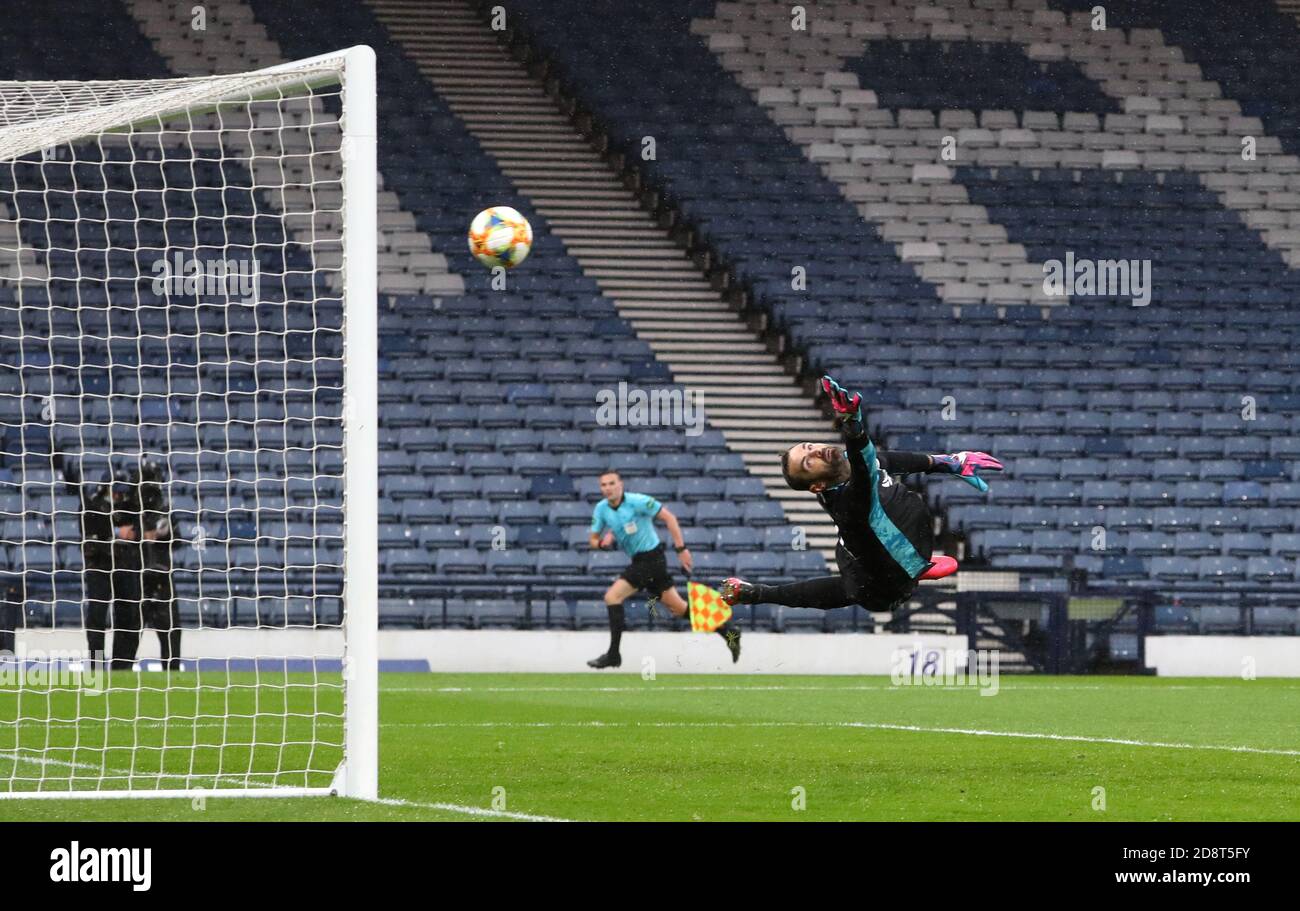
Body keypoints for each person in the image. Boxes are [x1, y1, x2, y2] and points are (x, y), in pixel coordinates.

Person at [720, 375, 1003, 614]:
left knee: (886, 490)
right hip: (884, 588)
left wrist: (948, 463)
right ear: (817, 486)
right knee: (853, 584)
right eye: (809, 462)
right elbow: (866, 463)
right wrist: (853, 426)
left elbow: (886, 461)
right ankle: (756, 593)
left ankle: (910, 561)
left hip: (890, 549)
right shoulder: (849, 505)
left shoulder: (846, 466)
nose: (815, 450)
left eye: (808, 445)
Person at [586, 469, 740, 669]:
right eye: (603, 485)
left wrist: (681, 549)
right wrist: (602, 542)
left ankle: (613, 654)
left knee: (612, 597)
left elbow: (670, 518)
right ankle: (728, 630)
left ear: (620, 484)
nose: (608, 488)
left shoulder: (638, 501)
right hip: (640, 561)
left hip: (652, 559)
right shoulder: (601, 509)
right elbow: (593, 540)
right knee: (679, 608)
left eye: (611, 483)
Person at [52, 453, 115, 669]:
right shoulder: (92, 506)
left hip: (121, 566)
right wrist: (114, 539)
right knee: (97, 616)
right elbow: (89, 542)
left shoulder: (127, 506)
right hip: (98, 567)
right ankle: (96, 662)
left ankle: (119, 663)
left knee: (127, 617)